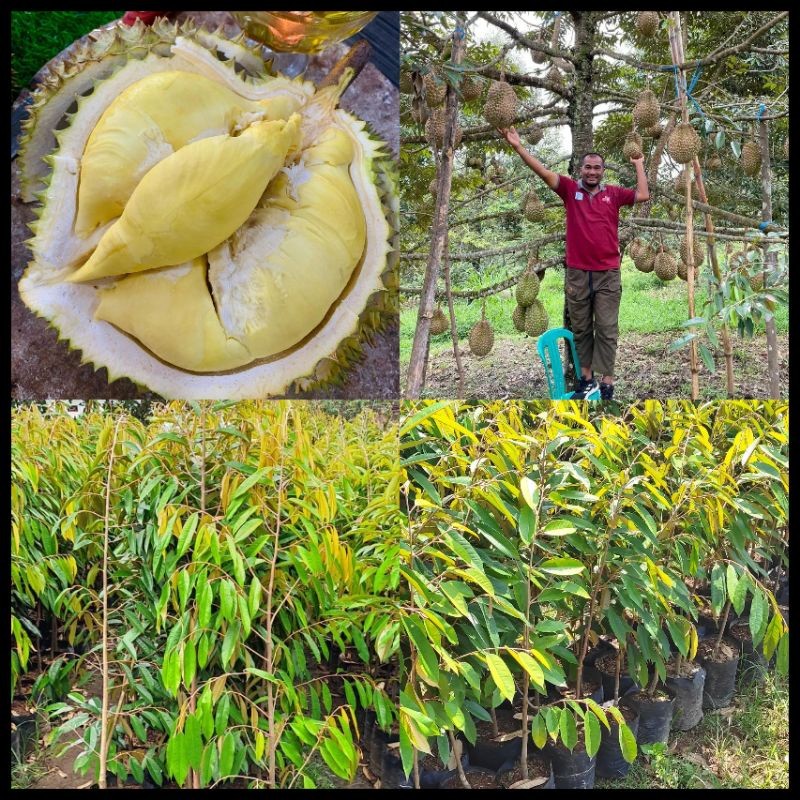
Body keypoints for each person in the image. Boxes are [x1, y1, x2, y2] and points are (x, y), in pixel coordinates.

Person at [499, 127, 649, 400]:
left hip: (607, 274)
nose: (592, 172)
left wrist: (639, 165)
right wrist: (519, 147)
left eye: (597, 168)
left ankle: (607, 382)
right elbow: (544, 173)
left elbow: (642, 195)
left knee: (606, 327)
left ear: (603, 171)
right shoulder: (569, 190)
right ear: (580, 170)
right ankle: (586, 379)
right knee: (580, 327)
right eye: (588, 167)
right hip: (578, 274)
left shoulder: (613, 194)